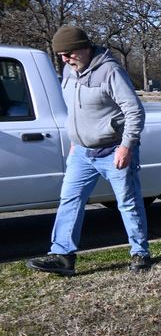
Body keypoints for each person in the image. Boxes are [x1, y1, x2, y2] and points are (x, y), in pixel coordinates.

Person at [26, 25, 151, 276]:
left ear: (84, 48)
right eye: (60, 55)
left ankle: (140, 254)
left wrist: (126, 146)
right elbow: (75, 109)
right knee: (70, 201)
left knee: (127, 203)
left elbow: (134, 111)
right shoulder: (70, 71)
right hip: (82, 153)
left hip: (113, 149)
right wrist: (76, 139)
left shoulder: (110, 71)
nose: (64, 59)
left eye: (68, 54)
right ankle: (63, 256)